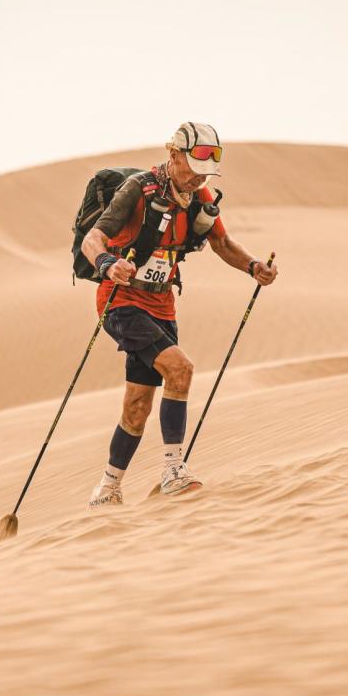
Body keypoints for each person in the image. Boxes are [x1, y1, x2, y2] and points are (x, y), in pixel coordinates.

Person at [80, 122, 279, 508]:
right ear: (173, 156)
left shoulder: (198, 195)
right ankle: (173, 471)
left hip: (163, 305)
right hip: (120, 302)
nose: (198, 178)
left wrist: (253, 266)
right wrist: (107, 263)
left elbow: (221, 242)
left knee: (137, 405)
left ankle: (107, 489)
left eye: (206, 172)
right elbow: (94, 239)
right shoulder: (138, 189)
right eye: (193, 168)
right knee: (180, 369)